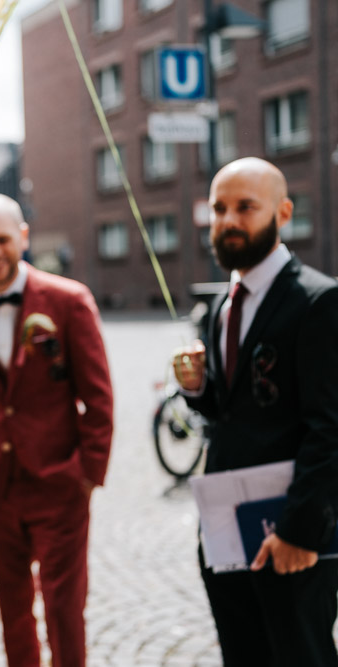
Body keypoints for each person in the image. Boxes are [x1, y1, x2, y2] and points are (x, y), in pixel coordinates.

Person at [173, 157, 338, 667]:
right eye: (220, 209)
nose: (229, 221)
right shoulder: (223, 305)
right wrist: (199, 389)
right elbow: (234, 409)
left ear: (282, 212)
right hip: (226, 527)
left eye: (246, 207)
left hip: (290, 533)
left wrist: (299, 532)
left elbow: (330, 430)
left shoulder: (318, 301)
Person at [0, 193, 113, 667]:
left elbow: (98, 397)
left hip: (59, 481)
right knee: (12, 609)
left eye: (3, 239)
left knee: (65, 607)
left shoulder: (68, 301)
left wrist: (87, 473)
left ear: (22, 237)